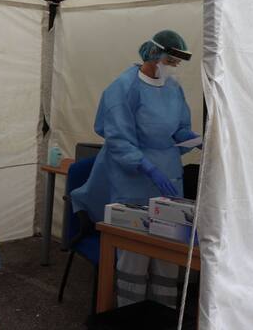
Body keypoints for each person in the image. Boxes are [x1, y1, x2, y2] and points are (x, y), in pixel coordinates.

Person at [70, 30, 200, 309]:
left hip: (168, 178)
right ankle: (131, 312)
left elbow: (179, 128)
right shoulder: (123, 88)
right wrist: (147, 167)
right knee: (134, 254)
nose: (173, 68)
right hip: (132, 180)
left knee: (169, 251)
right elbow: (118, 139)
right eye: (170, 61)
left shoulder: (173, 88)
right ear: (154, 55)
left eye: (176, 63)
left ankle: (163, 313)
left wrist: (195, 140)